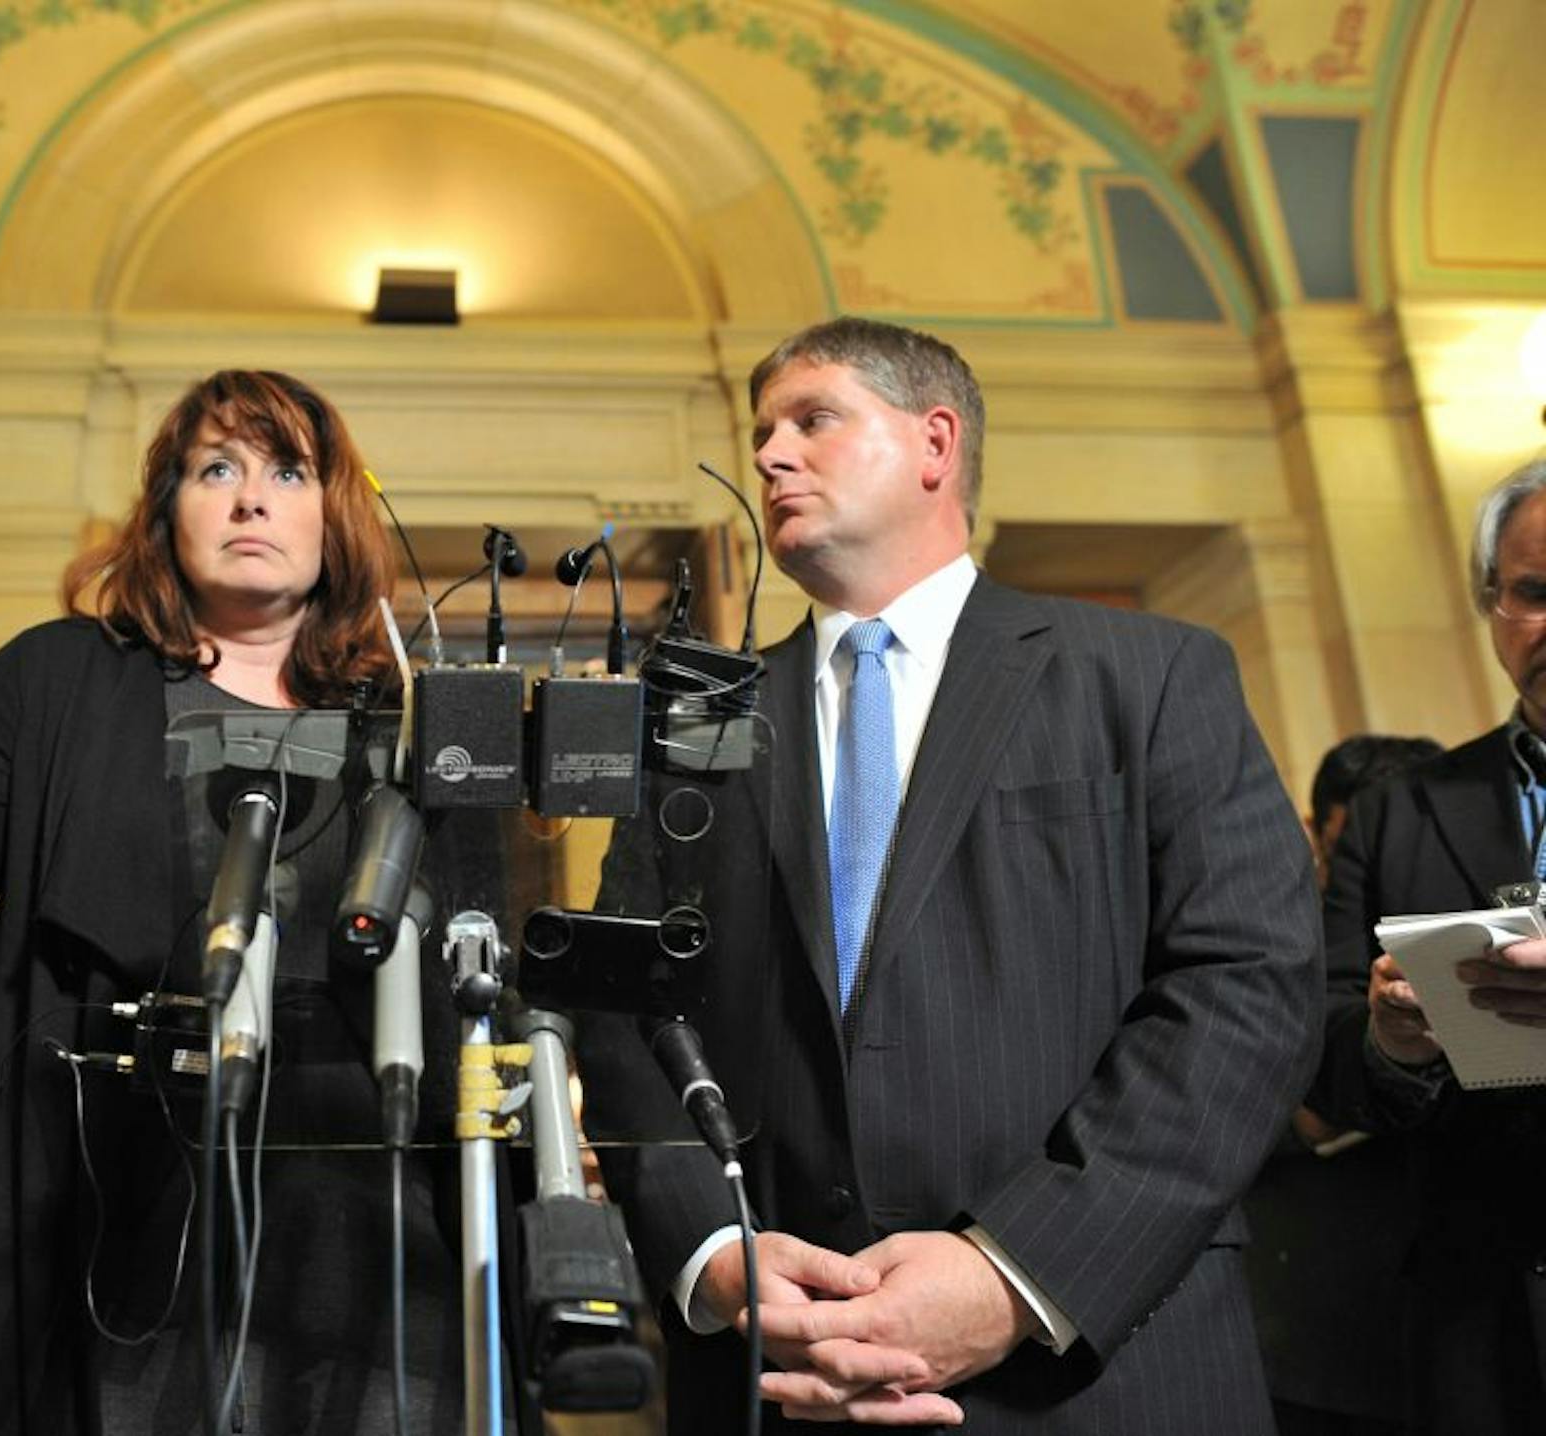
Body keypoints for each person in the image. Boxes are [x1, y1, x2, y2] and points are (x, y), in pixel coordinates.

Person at [0, 370, 509, 1434]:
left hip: (351, 1263)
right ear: (165, 511)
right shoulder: (59, 681)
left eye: (288, 471)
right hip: (95, 1241)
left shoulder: (421, 722)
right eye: (215, 469)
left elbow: (481, 1002)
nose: (250, 499)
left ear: (335, 513)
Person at [582, 316, 1321, 1432]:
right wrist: (710, 1248)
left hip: (1098, 1369)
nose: (771, 454)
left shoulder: (1152, 674)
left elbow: (1247, 990)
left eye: (813, 419)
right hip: (783, 1376)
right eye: (762, 432)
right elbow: (626, 1001)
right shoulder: (694, 724)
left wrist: (1015, 1271)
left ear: (936, 442)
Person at [1314, 457, 1546, 1436]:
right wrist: (1393, 1045)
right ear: (1491, 606)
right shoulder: (1397, 814)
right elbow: (1320, 1045)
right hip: (1482, 1304)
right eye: (1534, 592)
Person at [1242, 734, 1441, 1436]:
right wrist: (1312, 1116)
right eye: (1357, 851)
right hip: (1320, 1334)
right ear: (1316, 838)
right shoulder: (1255, 943)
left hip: (1467, 1315)